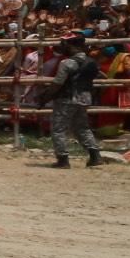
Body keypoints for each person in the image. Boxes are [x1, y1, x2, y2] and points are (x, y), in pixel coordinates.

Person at [46, 33, 102, 168]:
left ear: (73, 46)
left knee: (59, 129)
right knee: (82, 127)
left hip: (67, 98)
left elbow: (58, 83)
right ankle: (95, 156)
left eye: (65, 45)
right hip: (85, 98)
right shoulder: (92, 63)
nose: (62, 48)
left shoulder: (66, 63)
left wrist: (46, 97)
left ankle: (63, 160)